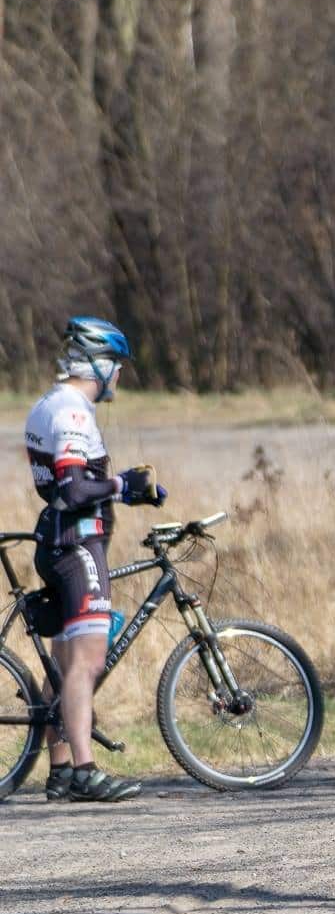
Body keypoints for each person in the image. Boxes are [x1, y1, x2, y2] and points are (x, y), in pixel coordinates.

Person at [25, 316, 166, 802]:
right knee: (87, 661)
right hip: (78, 547)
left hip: (62, 542)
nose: (120, 377)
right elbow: (71, 488)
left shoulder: (49, 403)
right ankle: (86, 770)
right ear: (98, 366)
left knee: (66, 665)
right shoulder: (73, 412)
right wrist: (121, 486)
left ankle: (61, 770)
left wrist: (127, 492)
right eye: (116, 366)